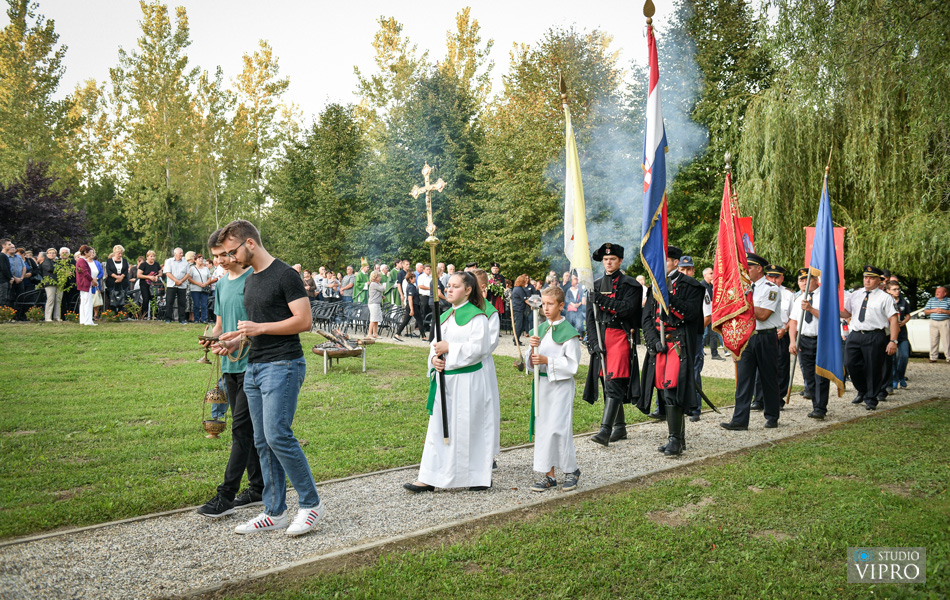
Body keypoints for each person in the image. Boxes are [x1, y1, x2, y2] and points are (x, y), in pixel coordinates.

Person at [213, 219, 324, 537]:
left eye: (232, 251)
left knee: (277, 435)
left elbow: (304, 321)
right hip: (255, 366)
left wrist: (259, 328)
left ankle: (311, 504)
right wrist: (236, 341)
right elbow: (255, 329)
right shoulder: (251, 280)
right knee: (261, 440)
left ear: (249, 243)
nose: (230, 258)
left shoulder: (285, 275)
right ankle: (274, 511)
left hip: (284, 364)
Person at [197, 228, 264, 519]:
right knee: (246, 430)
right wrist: (211, 339)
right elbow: (220, 324)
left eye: (225, 254)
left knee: (240, 429)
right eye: (216, 257)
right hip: (229, 366)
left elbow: (260, 325)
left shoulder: (254, 279)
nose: (221, 261)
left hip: (254, 364)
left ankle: (225, 496)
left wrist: (235, 340)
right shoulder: (222, 283)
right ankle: (258, 488)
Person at [404, 272, 492, 493]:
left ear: (468, 290)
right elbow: (434, 346)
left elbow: (480, 349)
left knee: (467, 427)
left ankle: (476, 476)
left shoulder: (478, 318)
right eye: (448, 286)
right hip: (445, 380)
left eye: (455, 286)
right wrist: (434, 360)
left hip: (467, 381)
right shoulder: (444, 317)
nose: (449, 289)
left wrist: (450, 348)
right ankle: (430, 477)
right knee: (438, 428)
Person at [639, 246, 703, 455]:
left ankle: (675, 440)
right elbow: (646, 318)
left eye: (664, 260)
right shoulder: (654, 286)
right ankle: (678, 438)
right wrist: (652, 341)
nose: (660, 264)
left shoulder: (691, 285)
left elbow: (691, 313)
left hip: (678, 345)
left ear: (676, 262)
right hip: (660, 346)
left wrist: (667, 295)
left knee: (672, 389)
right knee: (663, 390)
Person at [583, 243, 643, 446]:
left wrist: (601, 300)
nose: (608, 262)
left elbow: (627, 309)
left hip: (619, 337)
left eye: (612, 259)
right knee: (605, 381)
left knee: (613, 382)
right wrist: (593, 342)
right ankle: (620, 427)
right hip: (601, 337)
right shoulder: (595, 285)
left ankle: (605, 431)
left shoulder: (630, 285)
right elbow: (590, 318)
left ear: (620, 261)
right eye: (606, 259)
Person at [525, 285, 582, 492]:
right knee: (543, 430)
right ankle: (549, 475)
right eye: (543, 304)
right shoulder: (538, 329)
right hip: (542, 385)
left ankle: (571, 470)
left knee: (558, 429)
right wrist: (531, 352)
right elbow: (530, 362)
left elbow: (572, 365)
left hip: (560, 386)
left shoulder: (569, 334)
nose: (546, 308)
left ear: (561, 305)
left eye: (550, 304)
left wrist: (547, 360)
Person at [721, 252, 783, 430]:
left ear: (759, 269)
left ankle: (772, 416)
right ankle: (739, 420)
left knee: (768, 378)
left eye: (748, 267)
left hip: (765, 337)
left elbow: (763, 315)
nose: (745, 270)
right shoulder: (743, 288)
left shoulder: (771, 289)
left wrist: (744, 302)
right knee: (744, 379)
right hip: (747, 337)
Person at [840, 265, 899, 410]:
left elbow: (893, 320)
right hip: (855, 334)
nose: (867, 280)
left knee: (873, 368)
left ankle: (871, 398)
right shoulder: (855, 294)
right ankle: (862, 389)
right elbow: (847, 313)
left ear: (879, 280)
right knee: (850, 364)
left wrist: (893, 341)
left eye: (871, 278)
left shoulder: (885, 298)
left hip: (874, 335)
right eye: (865, 277)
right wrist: (833, 309)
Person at [788, 268, 830, 418]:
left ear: (816, 280)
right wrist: (793, 341)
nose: (804, 282)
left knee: (821, 375)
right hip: (804, 340)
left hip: (821, 339)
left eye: (807, 279)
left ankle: (820, 408)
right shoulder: (799, 299)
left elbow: (829, 317)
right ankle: (815, 405)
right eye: (801, 280)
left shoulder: (825, 296)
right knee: (808, 375)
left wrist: (811, 309)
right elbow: (793, 322)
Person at [754, 264, 794, 407]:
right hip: (764, 333)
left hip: (781, 333)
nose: (773, 279)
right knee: (760, 368)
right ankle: (759, 399)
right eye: (770, 276)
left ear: (782, 278)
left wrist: (785, 329)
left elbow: (793, 317)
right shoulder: (759, 290)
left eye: (776, 277)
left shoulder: (788, 294)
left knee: (780, 367)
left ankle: (778, 397)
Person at [473, 269, 502, 466]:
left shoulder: (489, 312)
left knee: (485, 407)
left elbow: (490, 342)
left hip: (481, 365)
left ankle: (487, 454)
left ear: (483, 287)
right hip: (462, 365)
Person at [677, 255, 708, 422]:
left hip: (694, 334)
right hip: (678, 334)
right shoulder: (675, 286)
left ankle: (695, 408)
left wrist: (694, 329)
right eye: (682, 269)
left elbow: (707, 316)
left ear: (693, 271)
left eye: (688, 269)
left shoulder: (699, 288)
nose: (685, 272)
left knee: (694, 370)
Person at [887, 281, 911, 388]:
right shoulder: (886, 301)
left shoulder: (903, 301)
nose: (897, 291)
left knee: (904, 356)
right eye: (894, 289)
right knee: (893, 358)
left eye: (898, 289)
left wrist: (904, 322)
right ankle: (894, 378)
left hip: (902, 334)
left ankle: (901, 376)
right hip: (891, 334)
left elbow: (908, 315)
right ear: (888, 290)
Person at [702, 267, 726, 360]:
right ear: (705, 275)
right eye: (710, 273)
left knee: (713, 334)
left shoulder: (712, 286)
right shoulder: (701, 286)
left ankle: (714, 354)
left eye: (713, 273)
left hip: (712, 314)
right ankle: (700, 351)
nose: (713, 275)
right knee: (703, 334)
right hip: (704, 314)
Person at [923, 286, 950, 363]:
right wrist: (933, 310)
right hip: (933, 322)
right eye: (936, 291)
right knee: (933, 340)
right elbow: (925, 311)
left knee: (947, 341)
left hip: (944, 322)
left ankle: (948, 357)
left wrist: (944, 311)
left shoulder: (948, 300)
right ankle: (933, 357)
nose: (936, 293)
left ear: (944, 293)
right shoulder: (931, 300)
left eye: (939, 292)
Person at [163, 248, 189, 324]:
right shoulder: (169, 261)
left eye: (182, 253)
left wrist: (181, 281)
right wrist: (176, 281)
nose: (182, 254)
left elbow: (187, 274)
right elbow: (168, 273)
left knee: (182, 302)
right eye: (180, 253)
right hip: (171, 285)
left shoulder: (185, 262)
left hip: (182, 285)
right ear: (175, 254)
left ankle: (182, 319)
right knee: (169, 302)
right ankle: (168, 318)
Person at [187, 255, 214, 324]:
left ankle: (204, 319)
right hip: (195, 289)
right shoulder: (192, 268)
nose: (201, 260)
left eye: (202, 259)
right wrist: (198, 283)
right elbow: (189, 278)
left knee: (204, 305)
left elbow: (209, 278)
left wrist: (206, 283)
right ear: (195, 260)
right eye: (199, 259)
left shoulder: (206, 269)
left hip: (204, 289)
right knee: (196, 304)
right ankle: (196, 319)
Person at [76, 245, 97, 326]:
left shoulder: (81, 260)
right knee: (87, 303)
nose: (91, 253)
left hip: (82, 284)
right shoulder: (82, 261)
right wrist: (93, 281)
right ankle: (88, 321)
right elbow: (86, 273)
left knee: (84, 303)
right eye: (90, 252)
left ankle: (83, 320)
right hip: (85, 284)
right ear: (85, 252)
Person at [393, 271, 418, 341]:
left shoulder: (412, 284)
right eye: (413, 277)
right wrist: (411, 309)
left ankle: (422, 335)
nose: (415, 278)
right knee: (406, 320)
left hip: (412, 303)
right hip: (410, 304)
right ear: (410, 278)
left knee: (415, 320)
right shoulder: (409, 285)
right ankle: (399, 333)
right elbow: (409, 297)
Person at [137, 251, 162, 320]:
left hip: (154, 285)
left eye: (154, 256)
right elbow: (138, 275)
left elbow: (160, 272)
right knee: (146, 299)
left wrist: (157, 276)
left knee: (154, 299)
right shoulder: (143, 265)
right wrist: (148, 277)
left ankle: (154, 315)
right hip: (144, 284)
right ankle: (144, 315)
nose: (152, 258)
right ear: (147, 257)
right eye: (151, 256)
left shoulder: (156, 264)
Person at [106, 245, 130, 312]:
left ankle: (121, 313)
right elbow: (109, 271)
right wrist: (116, 277)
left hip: (123, 283)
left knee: (123, 300)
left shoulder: (124, 261)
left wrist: (121, 277)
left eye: (121, 253)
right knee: (112, 299)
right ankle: (113, 313)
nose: (120, 255)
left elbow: (126, 270)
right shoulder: (109, 261)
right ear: (114, 252)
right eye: (119, 253)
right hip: (112, 283)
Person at [511, 274, 531, 345]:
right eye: (525, 280)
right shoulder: (519, 289)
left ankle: (516, 339)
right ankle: (516, 340)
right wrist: (533, 305)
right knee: (519, 325)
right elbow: (525, 299)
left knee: (521, 325)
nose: (526, 281)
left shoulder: (518, 288)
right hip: (518, 309)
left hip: (519, 309)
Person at [40, 248, 59, 321]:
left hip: (58, 282)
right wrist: (60, 269)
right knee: (50, 300)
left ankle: (57, 316)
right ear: (47, 254)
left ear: (56, 254)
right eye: (50, 253)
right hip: (50, 283)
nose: (52, 254)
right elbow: (50, 269)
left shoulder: (57, 262)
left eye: (53, 253)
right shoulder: (46, 262)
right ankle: (48, 317)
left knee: (58, 300)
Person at [417, 264, 433, 340]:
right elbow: (420, 286)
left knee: (429, 311)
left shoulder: (431, 277)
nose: (428, 271)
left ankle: (427, 326)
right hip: (424, 296)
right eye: (427, 269)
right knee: (423, 311)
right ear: (423, 270)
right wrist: (430, 288)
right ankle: (422, 327)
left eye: (429, 269)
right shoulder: (421, 277)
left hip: (430, 296)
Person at [367, 271, 385, 338]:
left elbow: (375, 293)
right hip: (373, 303)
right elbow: (383, 289)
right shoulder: (374, 284)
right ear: (375, 277)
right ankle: (369, 334)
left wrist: (380, 296)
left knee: (376, 319)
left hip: (376, 303)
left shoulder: (375, 284)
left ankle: (375, 333)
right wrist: (380, 284)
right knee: (373, 319)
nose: (380, 277)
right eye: (378, 276)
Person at [0, 239, 15, 307]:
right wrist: (10, 278)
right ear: (3, 245)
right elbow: (4, 268)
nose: (11, 246)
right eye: (9, 244)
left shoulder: (4, 256)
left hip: (6, 280)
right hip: (3, 280)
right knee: (3, 298)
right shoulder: (2, 256)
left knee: (6, 298)